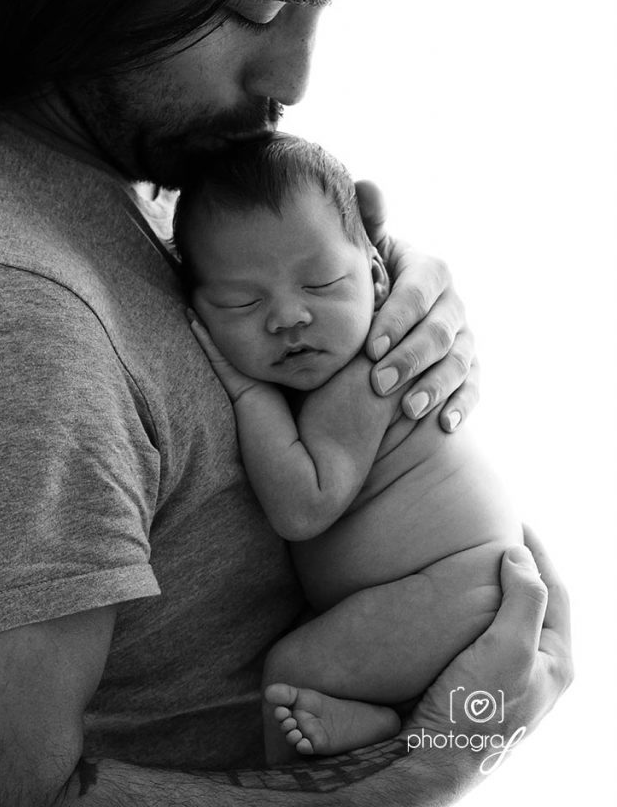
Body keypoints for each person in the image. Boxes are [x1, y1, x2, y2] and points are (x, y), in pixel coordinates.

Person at [0, 0, 571, 805]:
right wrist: (443, 760)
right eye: (257, 9)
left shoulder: (141, 192)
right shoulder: (11, 305)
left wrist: (393, 310)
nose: (296, 76)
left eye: (326, 6)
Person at [175, 132, 523, 764]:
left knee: (293, 671)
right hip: (445, 587)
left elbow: (303, 507)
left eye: (323, 284)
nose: (286, 317)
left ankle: (373, 736)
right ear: (193, 306)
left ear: (377, 275)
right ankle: (376, 724)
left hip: (457, 585)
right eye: (241, 302)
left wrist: (249, 393)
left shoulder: (364, 377)